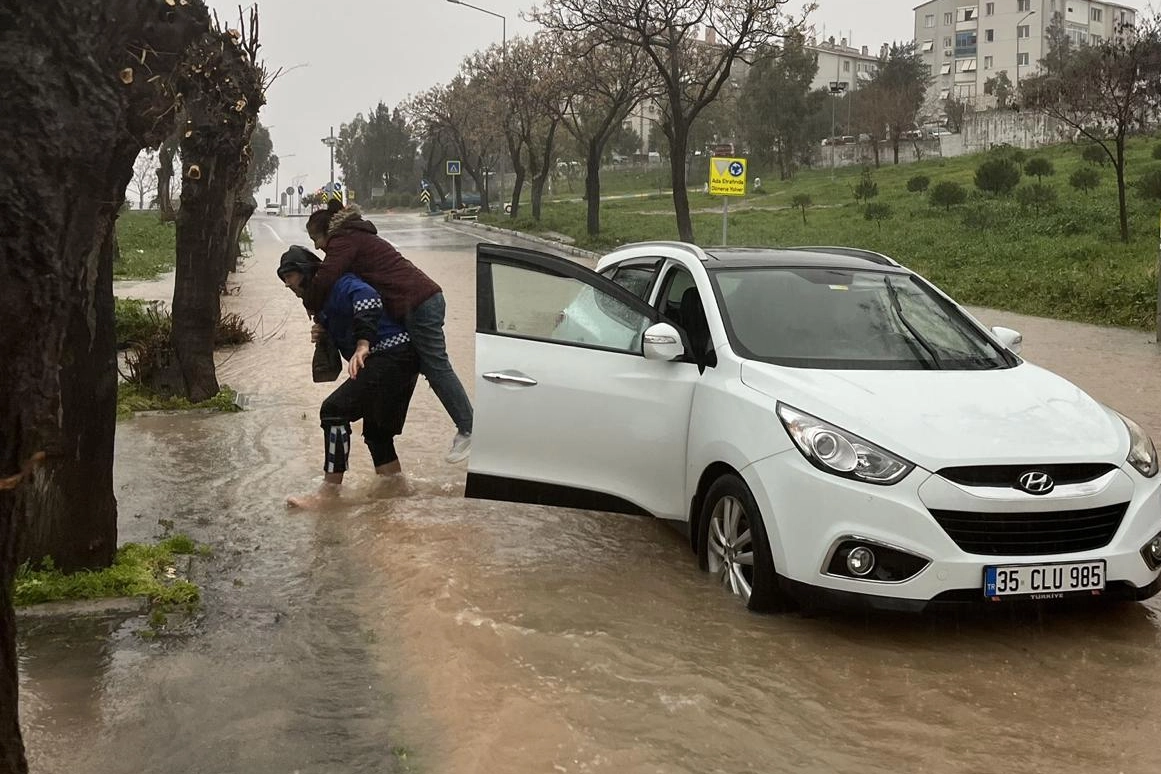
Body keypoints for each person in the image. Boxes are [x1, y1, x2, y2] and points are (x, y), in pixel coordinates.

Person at [303, 199, 473, 464]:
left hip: (419, 303)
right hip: (420, 302)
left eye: (316, 239)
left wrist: (310, 303)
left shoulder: (344, 240)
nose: (316, 247)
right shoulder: (355, 235)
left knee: (436, 366)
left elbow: (326, 277)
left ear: (328, 232)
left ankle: (469, 428)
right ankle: (467, 427)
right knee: (430, 365)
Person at [277, 246, 420, 509]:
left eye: (289, 276)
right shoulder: (323, 301)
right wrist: (325, 334)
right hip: (400, 359)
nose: (288, 284)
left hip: (392, 356)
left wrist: (363, 343)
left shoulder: (341, 284)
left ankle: (329, 492)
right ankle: (396, 492)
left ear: (306, 272)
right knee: (377, 434)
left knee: (333, 410)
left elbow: (368, 298)